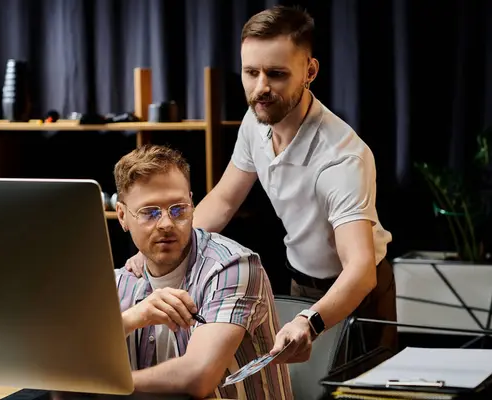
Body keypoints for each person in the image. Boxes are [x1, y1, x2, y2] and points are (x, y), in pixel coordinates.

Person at [126, 5, 398, 366]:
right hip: (301, 282)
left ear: (309, 71)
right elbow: (223, 201)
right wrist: (157, 249)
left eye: (277, 74)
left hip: (360, 292)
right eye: (251, 72)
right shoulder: (256, 124)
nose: (261, 88)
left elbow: (360, 270)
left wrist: (309, 321)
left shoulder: (342, 158)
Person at [111, 144, 292, 399]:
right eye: (150, 213)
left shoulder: (232, 266)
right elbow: (67, 359)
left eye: (178, 209)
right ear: (122, 216)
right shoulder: (121, 281)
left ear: (192, 204)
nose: (166, 224)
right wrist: (132, 318)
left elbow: (199, 377)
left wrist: (107, 383)